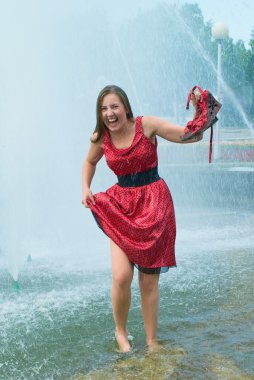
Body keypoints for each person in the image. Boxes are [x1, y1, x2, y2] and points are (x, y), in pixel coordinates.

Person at [81, 85, 202, 353]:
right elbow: (89, 162)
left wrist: (198, 113)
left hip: (154, 206)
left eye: (114, 106)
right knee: (122, 276)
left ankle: (151, 341)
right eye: (103, 109)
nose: (109, 113)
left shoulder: (146, 125)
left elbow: (188, 136)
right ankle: (121, 333)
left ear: (125, 107)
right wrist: (85, 188)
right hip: (120, 209)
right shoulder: (100, 137)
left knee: (148, 281)